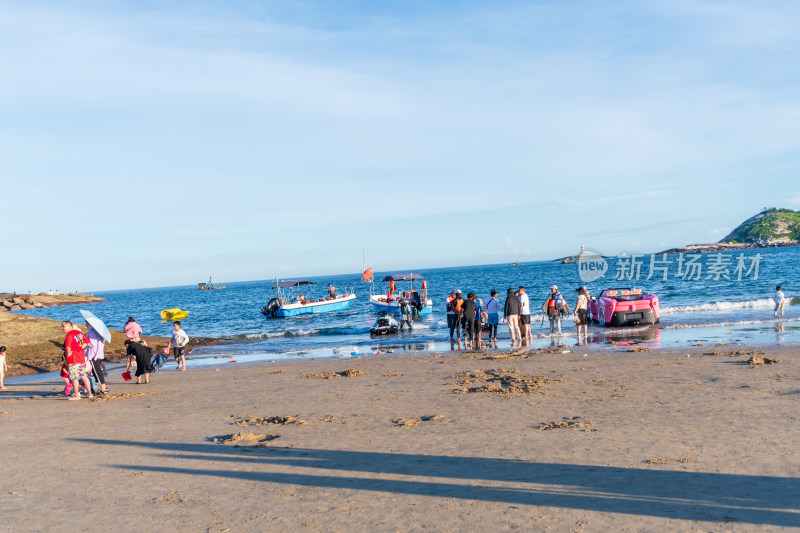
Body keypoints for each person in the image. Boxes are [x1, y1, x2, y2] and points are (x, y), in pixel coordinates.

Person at [62, 321, 93, 400]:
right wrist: (81, 347)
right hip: (81, 358)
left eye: (63, 326)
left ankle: (77, 395)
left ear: (69, 326)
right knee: (84, 376)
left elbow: (68, 346)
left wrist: (68, 354)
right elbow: (87, 341)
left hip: (73, 359)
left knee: (74, 377)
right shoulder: (79, 333)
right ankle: (89, 393)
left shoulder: (69, 335)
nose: (62, 328)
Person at [85, 322, 108, 394]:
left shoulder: (92, 332)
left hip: (94, 355)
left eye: (86, 323)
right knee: (98, 371)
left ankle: (103, 388)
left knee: (97, 372)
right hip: (99, 354)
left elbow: (92, 344)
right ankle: (104, 386)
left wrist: (86, 341)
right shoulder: (99, 332)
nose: (86, 325)